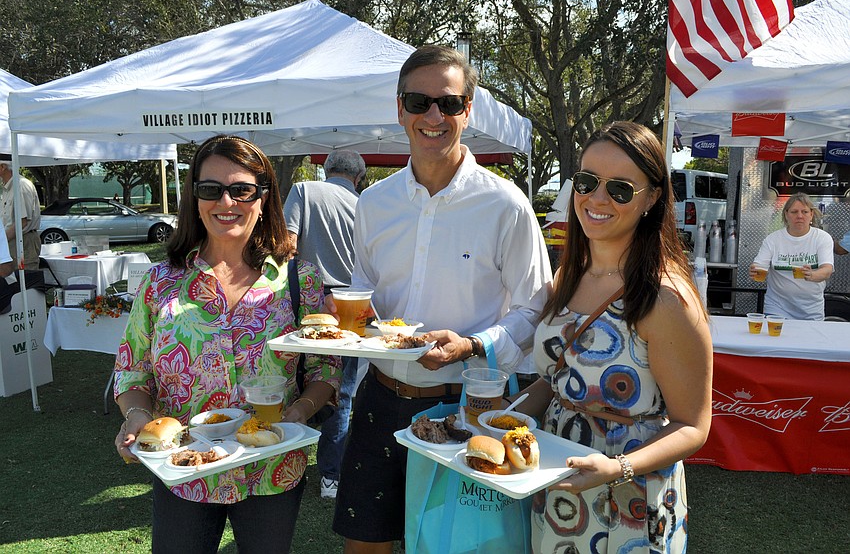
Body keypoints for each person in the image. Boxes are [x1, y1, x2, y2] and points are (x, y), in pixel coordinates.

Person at [330, 45, 552, 553]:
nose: (434, 116)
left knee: (455, 546)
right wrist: (346, 320)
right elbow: (365, 297)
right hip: (380, 398)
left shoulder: (506, 204)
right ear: (400, 108)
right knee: (366, 544)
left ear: (467, 110)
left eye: (449, 104)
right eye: (419, 101)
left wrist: (474, 344)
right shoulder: (373, 202)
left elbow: (535, 307)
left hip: (466, 408)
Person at [113, 135, 341, 553]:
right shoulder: (160, 283)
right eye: (211, 189)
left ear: (263, 197)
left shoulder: (299, 279)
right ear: (194, 198)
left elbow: (325, 366)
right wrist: (136, 417)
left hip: (273, 466)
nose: (227, 202)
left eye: (242, 189)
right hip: (184, 468)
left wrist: (299, 412)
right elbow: (131, 370)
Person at [508, 121, 712, 552]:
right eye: (587, 181)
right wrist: (502, 421)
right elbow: (560, 379)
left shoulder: (665, 298)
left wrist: (618, 467)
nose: (597, 199)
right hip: (558, 477)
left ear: (652, 197)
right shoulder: (569, 274)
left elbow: (693, 425)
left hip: (629, 497)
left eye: (620, 189)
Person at [284, 149, 366, 499]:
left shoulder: (304, 190)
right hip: (353, 305)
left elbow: (286, 245)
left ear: (325, 169)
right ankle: (330, 475)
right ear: (358, 178)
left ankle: (282, 451)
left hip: (309, 300)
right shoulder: (366, 204)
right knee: (340, 390)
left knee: (292, 377)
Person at [749, 192, 835, 320]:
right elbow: (759, 265)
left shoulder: (822, 238)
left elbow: (827, 270)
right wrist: (754, 269)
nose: (799, 216)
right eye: (794, 212)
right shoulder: (773, 239)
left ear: (811, 214)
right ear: (786, 214)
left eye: (805, 212)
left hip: (811, 310)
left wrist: (813, 275)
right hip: (777, 308)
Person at [0, 161, 41, 270]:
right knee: (11, 284)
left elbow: (22, 222)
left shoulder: (21, 185)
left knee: (25, 282)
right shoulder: (7, 187)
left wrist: (2, 240)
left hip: (24, 243)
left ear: (3, 167)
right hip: (12, 242)